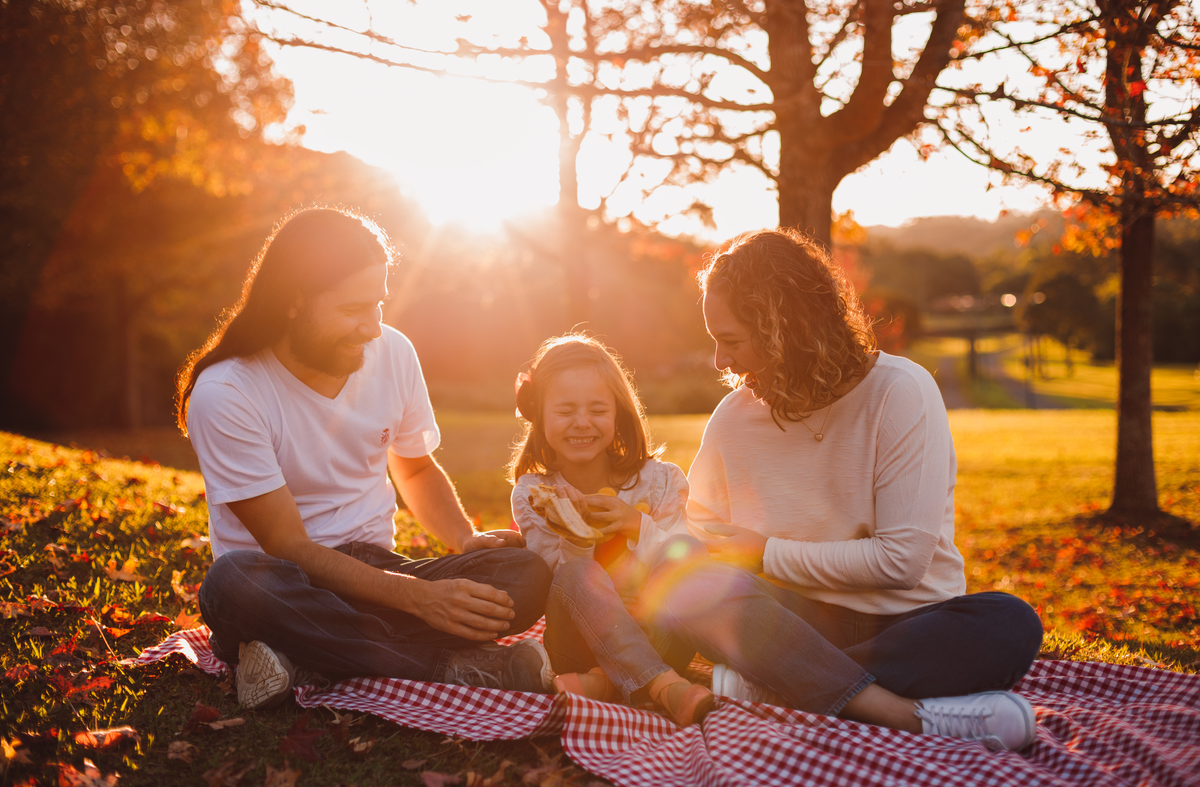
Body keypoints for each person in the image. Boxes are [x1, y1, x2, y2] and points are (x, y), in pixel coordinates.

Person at [651, 228, 1044, 751]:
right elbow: (700, 536)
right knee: (681, 580)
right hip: (794, 619)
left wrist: (765, 552)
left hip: (909, 624)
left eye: (732, 340)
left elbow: (901, 562)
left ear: (784, 330)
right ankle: (897, 713)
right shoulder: (733, 417)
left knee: (1009, 622)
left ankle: (775, 686)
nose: (721, 361)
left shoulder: (900, 392)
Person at [177, 207, 553, 709]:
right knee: (232, 581)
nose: (373, 328)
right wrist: (420, 600)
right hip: (282, 585)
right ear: (293, 302)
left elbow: (415, 466)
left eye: (378, 305)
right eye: (354, 309)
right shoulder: (227, 392)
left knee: (524, 571)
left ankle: (305, 658)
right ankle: (452, 667)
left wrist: (465, 539)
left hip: (377, 572)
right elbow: (286, 544)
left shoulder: (393, 353)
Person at [509, 335, 714, 726]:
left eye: (597, 409)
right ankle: (664, 686)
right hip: (579, 644)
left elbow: (688, 559)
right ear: (540, 416)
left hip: (659, 634)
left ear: (618, 413)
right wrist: (572, 534)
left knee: (686, 553)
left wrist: (633, 523)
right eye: (566, 410)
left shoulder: (658, 481)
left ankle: (607, 685)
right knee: (576, 571)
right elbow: (552, 585)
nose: (582, 422)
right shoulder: (534, 494)